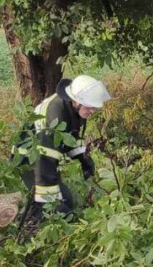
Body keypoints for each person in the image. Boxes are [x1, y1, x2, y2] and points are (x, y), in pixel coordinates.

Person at [15, 75, 111, 225]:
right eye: (89, 107)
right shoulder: (54, 116)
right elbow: (45, 160)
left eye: (94, 107)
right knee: (57, 208)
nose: (92, 111)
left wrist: (82, 157)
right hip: (29, 160)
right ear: (76, 101)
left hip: (45, 158)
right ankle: (28, 230)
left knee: (66, 200)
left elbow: (71, 135)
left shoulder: (73, 107)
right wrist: (48, 200)